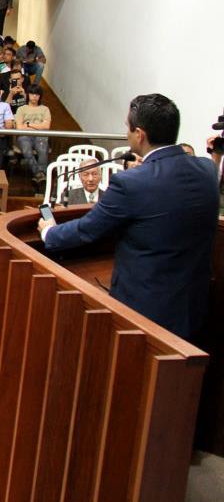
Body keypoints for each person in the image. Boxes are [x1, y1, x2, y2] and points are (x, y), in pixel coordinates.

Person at [39, 94, 219, 340]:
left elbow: (88, 229)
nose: (126, 132)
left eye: (127, 127)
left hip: (144, 313)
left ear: (140, 134)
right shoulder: (208, 169)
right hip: (194, 305)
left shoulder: (131, 181)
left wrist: (49, 231)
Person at [15, 85, 51, 186]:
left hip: (41, 135)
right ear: (28, 95)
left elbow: (46, 126)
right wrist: (38, 126)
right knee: (27, 150)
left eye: (37, 94)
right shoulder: (21, 109)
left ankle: (39, 174)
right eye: (32, 94)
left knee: (42, 149)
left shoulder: (45, 109)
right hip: (24, 135)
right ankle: (39, 173)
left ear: (40, 96)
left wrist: (28, 124)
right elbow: (19, 128)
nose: (34, 96)